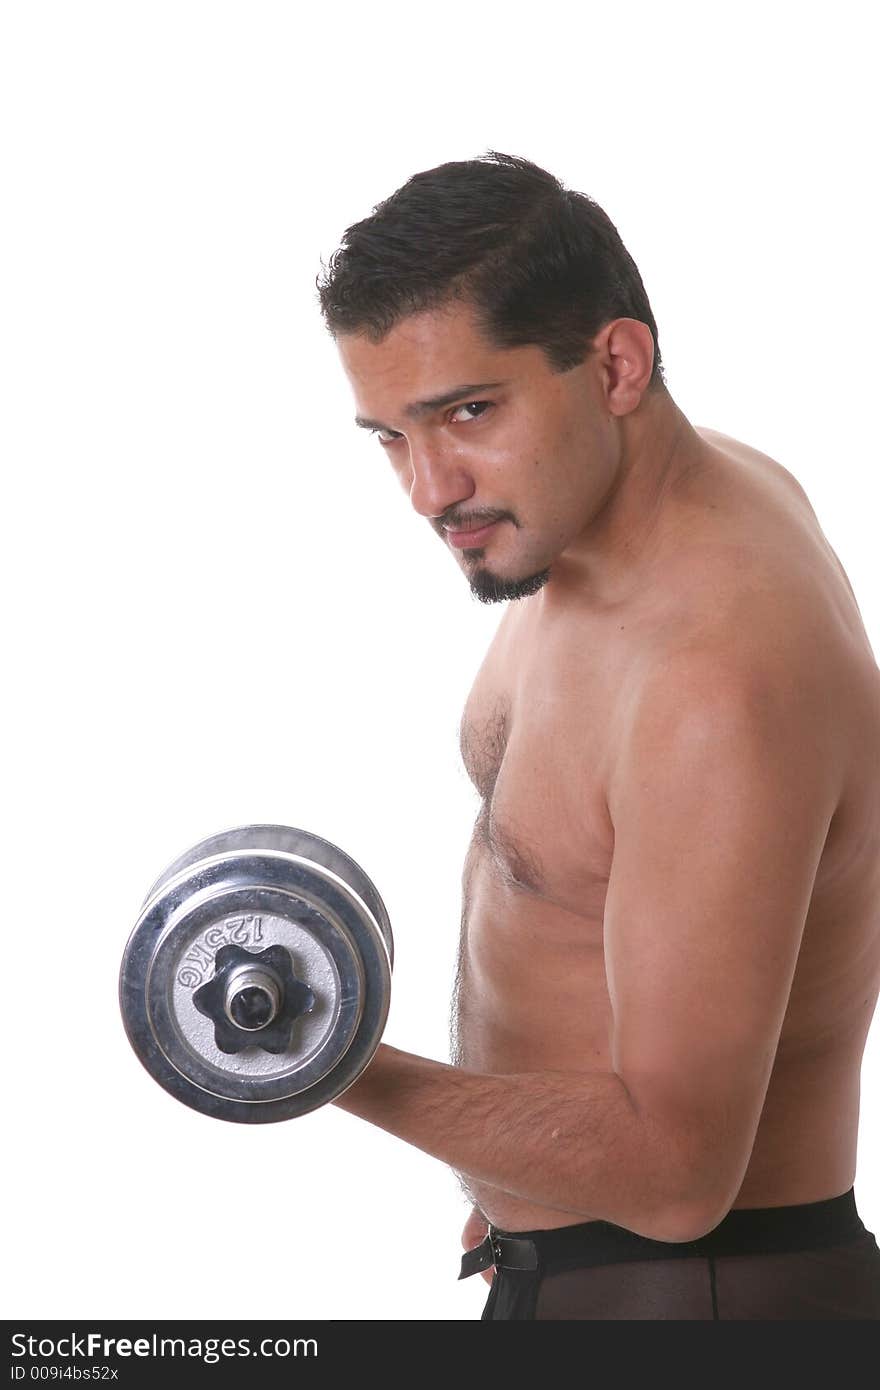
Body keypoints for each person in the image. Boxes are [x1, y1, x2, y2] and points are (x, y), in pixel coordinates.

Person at [314, 151, 880, 1319]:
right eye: (388, 437)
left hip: (704, 1297)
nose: (430, 489)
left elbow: (676, 1171)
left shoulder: (715, 678)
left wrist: (329, 1061)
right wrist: (507, 1161)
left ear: (615, 365)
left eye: (467, 412)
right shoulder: (593, 523)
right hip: (586, 1275)